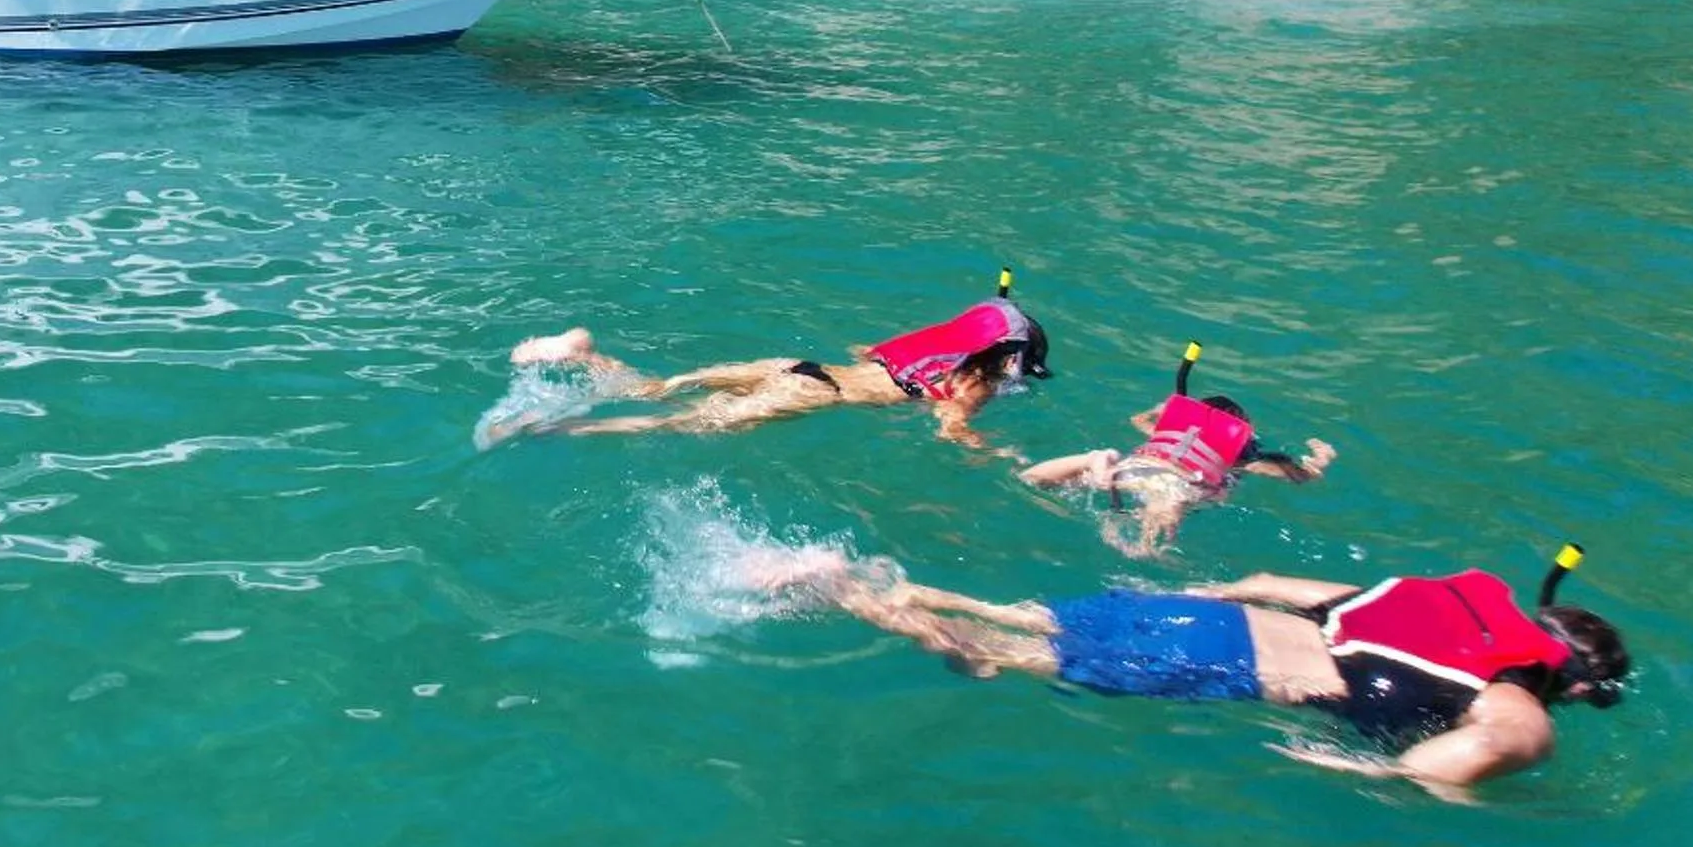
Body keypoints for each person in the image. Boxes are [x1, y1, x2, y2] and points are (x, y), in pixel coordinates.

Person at [741, 542, 1629, 795]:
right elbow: (1477, 751)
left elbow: (1277, 583)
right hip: (1216, 658)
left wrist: (1207, 590)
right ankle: (845, 596)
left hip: (1210, 616)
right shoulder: (1519, 699)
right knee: (990, 663)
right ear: (1570, 682)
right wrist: (1379, 773)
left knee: (1003, 616)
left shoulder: (1456, 608)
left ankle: (844, 568)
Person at [493, 276, 1050, 446]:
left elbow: (864, 357)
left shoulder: (922, 350)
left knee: (659, 389)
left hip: (795, 366)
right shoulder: (970, 383)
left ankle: (583, 354)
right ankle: (545, 427)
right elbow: (950, 427)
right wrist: (990, 451)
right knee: (677, 423)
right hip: (816, 394)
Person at [1016, 342, 1334, 554]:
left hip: (1134, 466)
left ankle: (1094, 458)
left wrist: (1162, 409)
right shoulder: (1240, 462)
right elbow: (1298, 475)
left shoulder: (1167, 433)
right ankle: (1140, 540)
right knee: (1146, 549)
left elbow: (1137, 420)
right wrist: (1319, 462)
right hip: (1173, 484)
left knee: (1032, 480)